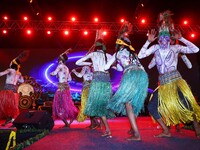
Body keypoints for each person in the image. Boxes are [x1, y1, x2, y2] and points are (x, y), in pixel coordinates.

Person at [138, 10, 200, 138]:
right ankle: (166, 130)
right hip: (163, 85)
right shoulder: (155, 48)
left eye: (166, 38)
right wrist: (148, 42)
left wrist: (181, 38)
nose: (164, 40)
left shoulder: (175, 48)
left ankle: (198, 130)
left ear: (169, 38)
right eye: (161, 38)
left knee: (188, 105)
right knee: (151, 106)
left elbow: (196, 49)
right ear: (158, 39)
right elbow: (140, 55)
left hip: (176, 82)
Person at [105, 21, 149, 141]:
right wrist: (117, 66)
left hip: (131, 75)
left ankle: (137, 134)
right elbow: (121, 67)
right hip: (142, 75)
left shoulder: (117, 53)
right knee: (133, 103)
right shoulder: (133, 53)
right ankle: (132, 128)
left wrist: (112, 61)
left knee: (128, 104)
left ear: (120, 45)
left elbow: (105, 67)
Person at [75, 30, 120, 138]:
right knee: (102, 107)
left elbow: (78, 63)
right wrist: (111, 65)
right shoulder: (108, 55)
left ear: (96, 46)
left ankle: (107, 129)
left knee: (98, 107)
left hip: (97, 83)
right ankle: (106, 129)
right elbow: (119, 68)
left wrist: (90, 62)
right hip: (106, 83)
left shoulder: (93, 54)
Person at [50, 49, 78, 128]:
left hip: (61, 88)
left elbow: (54, 73)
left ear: (60, 60)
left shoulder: (60, 66)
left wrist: (51, 73)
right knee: (67, 104)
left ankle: (66, 123)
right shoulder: (66, 67)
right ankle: (70, 118)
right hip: (66, 88)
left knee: (58, 105)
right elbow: (69, 79)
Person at [0, 51, 28, 126]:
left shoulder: (10, 70)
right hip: (14, 90)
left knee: (6, 106)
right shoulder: (19, 73)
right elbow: (22, 81)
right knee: (12, 106)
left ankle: (12, 120)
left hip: (8, 89)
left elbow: (1, 74)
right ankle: (11, 120)